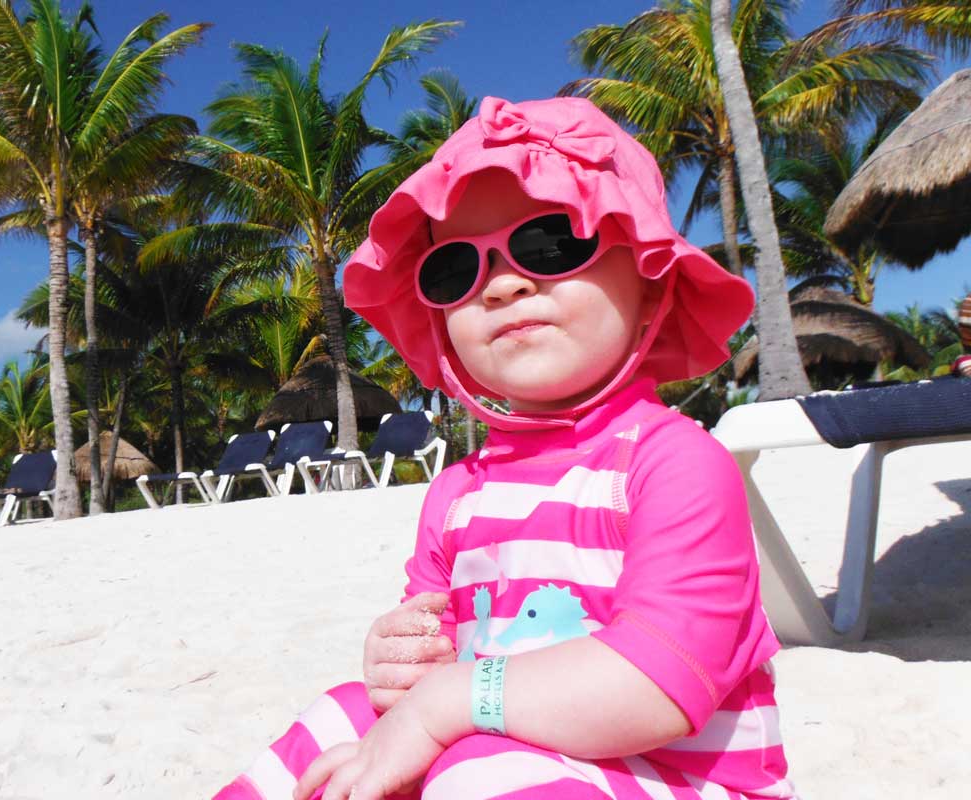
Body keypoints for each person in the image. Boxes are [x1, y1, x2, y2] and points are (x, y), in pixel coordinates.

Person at [213, 97, 794, 800]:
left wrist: (445, 705)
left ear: (650, 284)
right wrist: (401, 666)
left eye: (553, 242)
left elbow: (657, 685)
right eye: (456, 270)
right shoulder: (459, 493)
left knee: (476, 765)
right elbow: (434, 663)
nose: (506, 282)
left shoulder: (671, 465)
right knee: (343, 715)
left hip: (678, 778)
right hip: (509, 756)